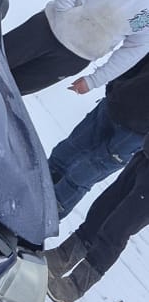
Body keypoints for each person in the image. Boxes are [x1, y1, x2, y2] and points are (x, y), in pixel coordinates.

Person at [5, 0, 149, 96]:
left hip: (72, 61)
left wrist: (94, 80)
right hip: (45, 30)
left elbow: (134, 50)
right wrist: (63, 13)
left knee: (8, 94)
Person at [47, 136, 149, 302]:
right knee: (103, 207)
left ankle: (74, 287)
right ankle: (62, 257)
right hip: (144, 156)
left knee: (118, 228)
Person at [48, 51, 149, 217]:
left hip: (134, 136)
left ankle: (40, 223)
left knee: (80, 177)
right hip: (114, 104)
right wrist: (115, 87)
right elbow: (135, 58)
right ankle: (24, 194)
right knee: (63, 154)